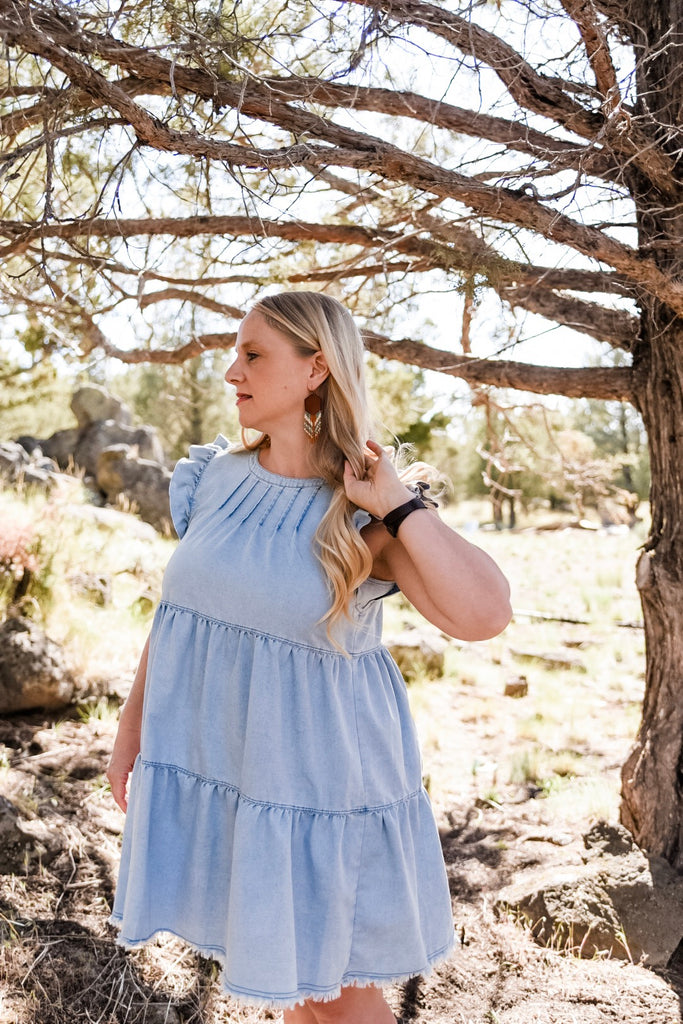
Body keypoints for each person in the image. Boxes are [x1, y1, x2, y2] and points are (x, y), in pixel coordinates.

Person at [107, 291, 511, 1023]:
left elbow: (485, 615)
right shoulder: (215, 479)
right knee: (293, 987)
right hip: (230, 770)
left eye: (253, 354)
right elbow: (178, 620)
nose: (232, 372)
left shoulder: (364, 507)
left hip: (317, 789)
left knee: (337, 997)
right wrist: (131, 731)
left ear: (315, 368)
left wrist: (397, 504)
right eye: (235, 354)